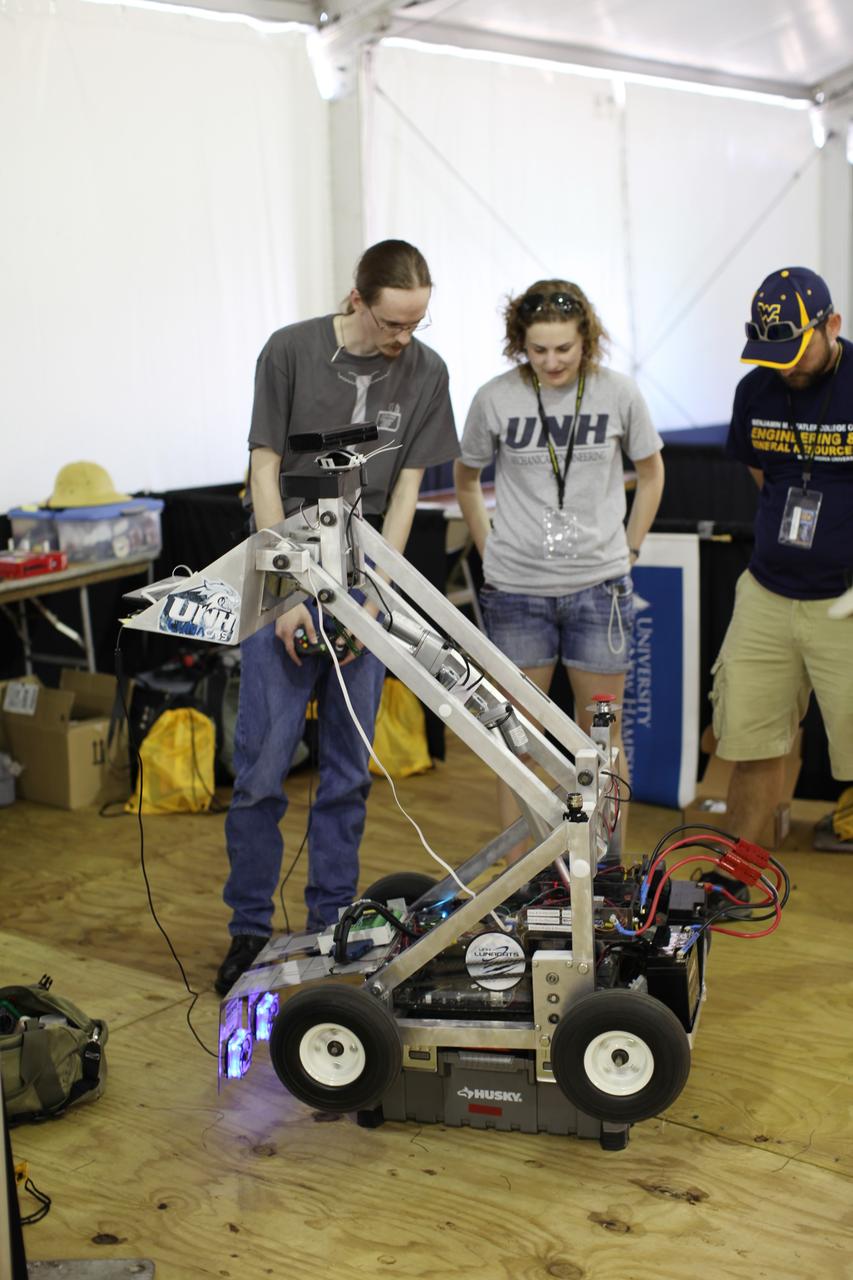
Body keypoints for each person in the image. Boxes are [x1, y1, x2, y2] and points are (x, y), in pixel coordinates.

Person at [216, 239, 458, 995]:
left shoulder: (426, 371)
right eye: (393, 324)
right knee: (261, 772)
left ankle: (330, 922)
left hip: (364, 573)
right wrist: (288, 593)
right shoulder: (289, 352)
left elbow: (409, 484)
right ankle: (249, 926)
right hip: (284, 563)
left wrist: (377, 593)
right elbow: (262, 469)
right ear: (356, 301)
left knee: (348, 775)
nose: (403, 339)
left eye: (416, 323)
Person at [453, 280, 664, 848]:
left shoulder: (618, 393)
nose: (550, 362)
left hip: (599, 587)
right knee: (515, 734)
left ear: (586, 340)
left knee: (602, 732)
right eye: (538, 349)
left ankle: (608, 869)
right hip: (516, 591)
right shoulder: (494, 398)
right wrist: (487, 545)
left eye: (563, 349)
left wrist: (632, 547)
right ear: (519, 342)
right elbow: (467, 478)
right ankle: (523, 880)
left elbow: (651, 473)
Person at [712, 266, 853, 846]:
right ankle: (734, 876)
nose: (786, 364)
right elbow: (762, 471)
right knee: (751, 745)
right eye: (773, 353)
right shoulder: (757, 388)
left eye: (796, 349)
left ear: (833, 325)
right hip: (767, 593)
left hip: (844, 600)